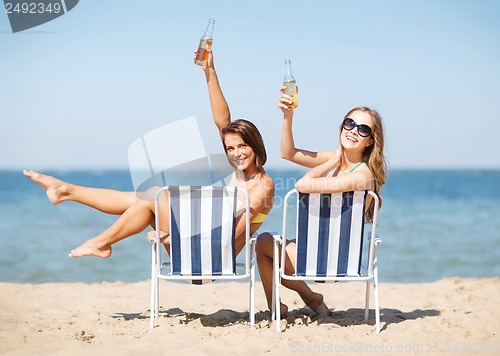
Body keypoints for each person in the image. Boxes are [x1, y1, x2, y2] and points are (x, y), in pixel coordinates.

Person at [23, 47, 274, 259]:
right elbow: (222, 121)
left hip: (205, 259)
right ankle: (67, 193)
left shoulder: (262, 187)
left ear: (256, 144)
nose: (236, 153)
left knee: (154, 195)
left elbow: (226, 239)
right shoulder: (242, 173)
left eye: (243, 146)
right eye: (230, 148)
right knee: (142, 200)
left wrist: (173, 235)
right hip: (191, 246)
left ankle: (96, 235)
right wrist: (209, 70)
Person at [256, 86, 387, 318]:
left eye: (363, 129)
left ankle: (298, 300)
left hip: (329, 258)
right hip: (322, 251)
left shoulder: (362, 176)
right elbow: (288, 153)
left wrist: (330, 162)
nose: (354, 131)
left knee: (264, 244)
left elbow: (303, 185)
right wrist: (288, 115)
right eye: (349, 124)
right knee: (266, 243)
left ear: (370, 141)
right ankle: (310, 299)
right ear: (342, 127)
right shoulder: (341, 161)